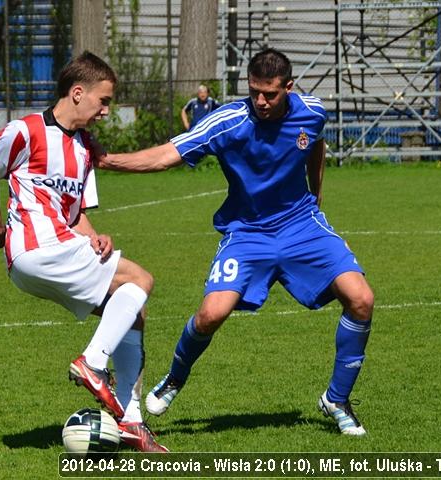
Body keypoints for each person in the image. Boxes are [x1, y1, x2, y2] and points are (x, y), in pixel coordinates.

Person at [96, 48, 374, 436]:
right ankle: (175, 378)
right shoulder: (227, 121)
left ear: (289, 88)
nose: (260, 101)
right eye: (254, 91)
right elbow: (166, 156)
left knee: (361, 299)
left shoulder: (312, 111)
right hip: (247, 232)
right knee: (211, 314)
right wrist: (108, 160)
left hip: (301, 226)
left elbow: (315, 143)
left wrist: (317, 193)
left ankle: (337, 400)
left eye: (270, 94)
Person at [0, 51, 167, 452]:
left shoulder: (83, 149)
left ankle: (131, 421)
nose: (106, 111)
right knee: (140, 279)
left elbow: (74, 213)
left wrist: (96, 238)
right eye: (104, 101)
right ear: (78, 93)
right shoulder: (24, 130)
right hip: (38, 247)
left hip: (41, 257)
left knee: (131, 310)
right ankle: (93, 363)